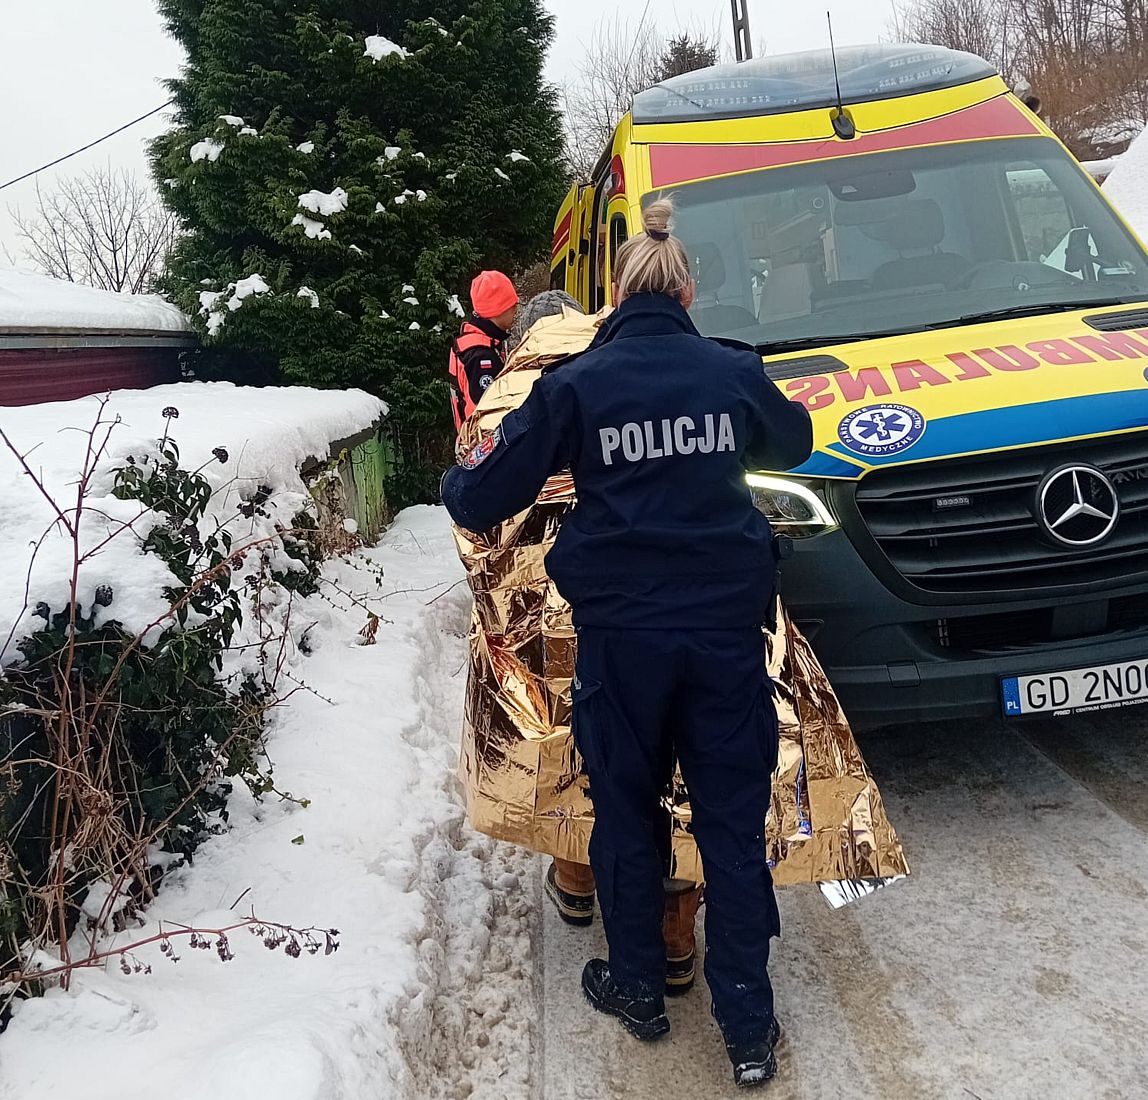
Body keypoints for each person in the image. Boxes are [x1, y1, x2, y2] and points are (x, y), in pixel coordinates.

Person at [442, 198, 812, 1087]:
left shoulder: (576, 387)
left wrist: (465, 466)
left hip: (622, 642)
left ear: (614, 294)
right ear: (685, 288)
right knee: (729, 818)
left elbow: (478, 500)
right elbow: (794, 438)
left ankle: (639, 985)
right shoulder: (729, 373)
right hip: (724, 636)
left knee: (628, 810)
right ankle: (748, 1027)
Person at [447, 270, 520, 431]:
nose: (516, 309)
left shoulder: (472, 343)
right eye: (512, 305)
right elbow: (489, 414)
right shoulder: (481, 356)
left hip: (474, 444)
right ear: (497, 309)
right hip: (485, 445)